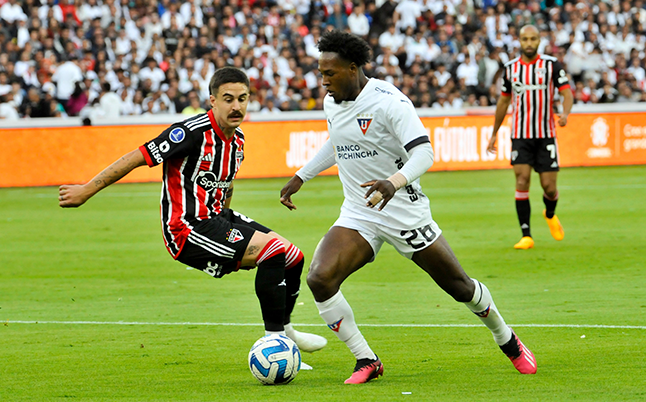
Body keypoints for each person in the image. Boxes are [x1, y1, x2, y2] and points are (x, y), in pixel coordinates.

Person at [279, 30, 537, 384]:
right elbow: (337, 141)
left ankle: (506, 339)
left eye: (329, 73)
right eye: (320, 72)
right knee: (320, 279)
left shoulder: (390, 102)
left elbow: (425, 152)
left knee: (460, 287)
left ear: (353, 69)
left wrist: (394, 182)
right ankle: (366, 359)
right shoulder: (332, 101)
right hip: (360, 211)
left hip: (404, 210)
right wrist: (301, 176)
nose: (322, 81)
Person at [58, 67, 327, 354]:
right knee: (272, 251)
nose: (236, 106)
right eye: (228, 99)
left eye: (242, 98)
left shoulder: (238, 140)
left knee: (293, 256)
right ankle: (277, 345)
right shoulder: (189, 132)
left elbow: (227, 182)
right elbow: (137, 156)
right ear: (212, 100)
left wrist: (230, 225)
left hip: (217, 218)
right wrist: (86, 189)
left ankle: (286, 330)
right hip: (186, 228)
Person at [486, 25, 573, 250]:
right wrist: (494, 133)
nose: (529, 43)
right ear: (519, 41)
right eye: (525, 39)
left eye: (533, 39)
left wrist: (564, 113)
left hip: (546, 135)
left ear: (539, 40)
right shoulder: (510, 69)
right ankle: (526, 235)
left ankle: (550, 213)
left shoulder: (551, 65)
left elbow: (566, 92)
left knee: (549, 187)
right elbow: (503, 102)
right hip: (520, 135)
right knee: (522, 180)